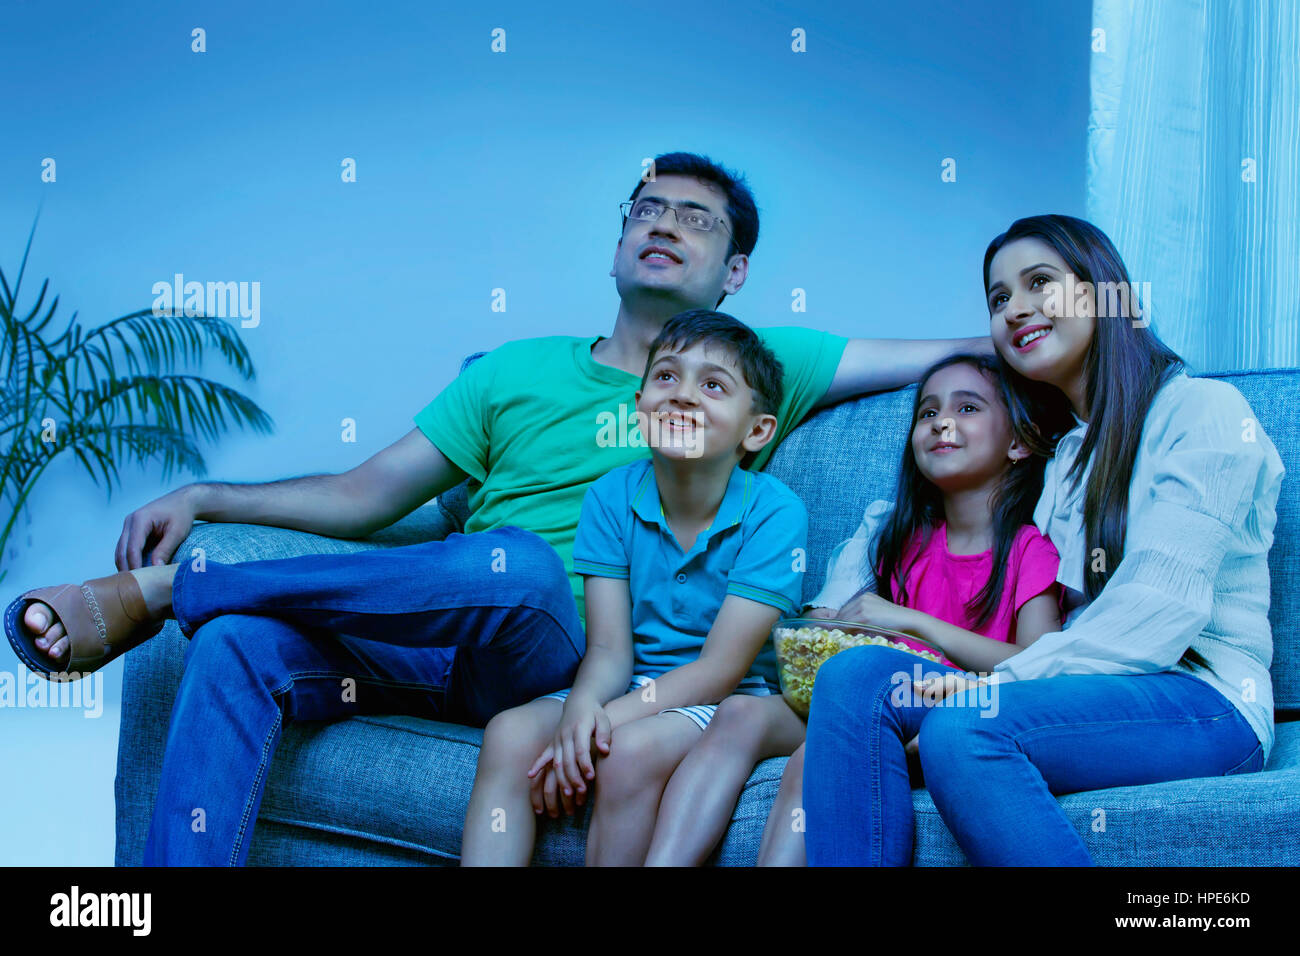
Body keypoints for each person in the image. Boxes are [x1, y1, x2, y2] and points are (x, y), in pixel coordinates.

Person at [6, 151, 988, 866]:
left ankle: (180, 585)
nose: (661, 222)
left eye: (694, 217)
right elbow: (362, 496)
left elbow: (947, 356)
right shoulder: (512, 370)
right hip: (424, 635)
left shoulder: (756, 366)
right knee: (235, 646)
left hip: (544, 638)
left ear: (733, 274)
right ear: (616, 244)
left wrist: (1074, 335)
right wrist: (207, 493)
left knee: (515, 563)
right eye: (644, 208)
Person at [801, 214, 1285, 866]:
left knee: (965, 730)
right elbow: (949, 509)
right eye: (999, 298)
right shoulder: (1061, 461)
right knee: (857, 675)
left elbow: (1155, 617)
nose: (1015, 309)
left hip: (1208, 702)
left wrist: (994, 686)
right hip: (1083, 695)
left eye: (1039, 284)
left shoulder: (1205, 413)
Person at [641, 352, 1068, 866]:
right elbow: (850, 633)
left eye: (968, 409)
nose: (942, 423)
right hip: (867, 706)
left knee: (817, 756)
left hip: (952, 717)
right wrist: (828, 627)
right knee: (737, 713)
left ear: (1018, 442)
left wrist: (912, 621)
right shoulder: (896, 540)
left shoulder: (1031, 549)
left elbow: (1041, 663)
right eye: (927, 413)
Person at [462, 310, 805, 866]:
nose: (683, 396)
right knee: (508, 733)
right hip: (632, 682)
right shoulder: (609, 496)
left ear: (756, 430)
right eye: (666, 377)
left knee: (626, 752)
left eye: (713, 385)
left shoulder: (775, 513)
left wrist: (605, 722)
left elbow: (720, 670)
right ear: (639, 403)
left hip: (726, 695)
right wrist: (582, 708)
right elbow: (607, 649)